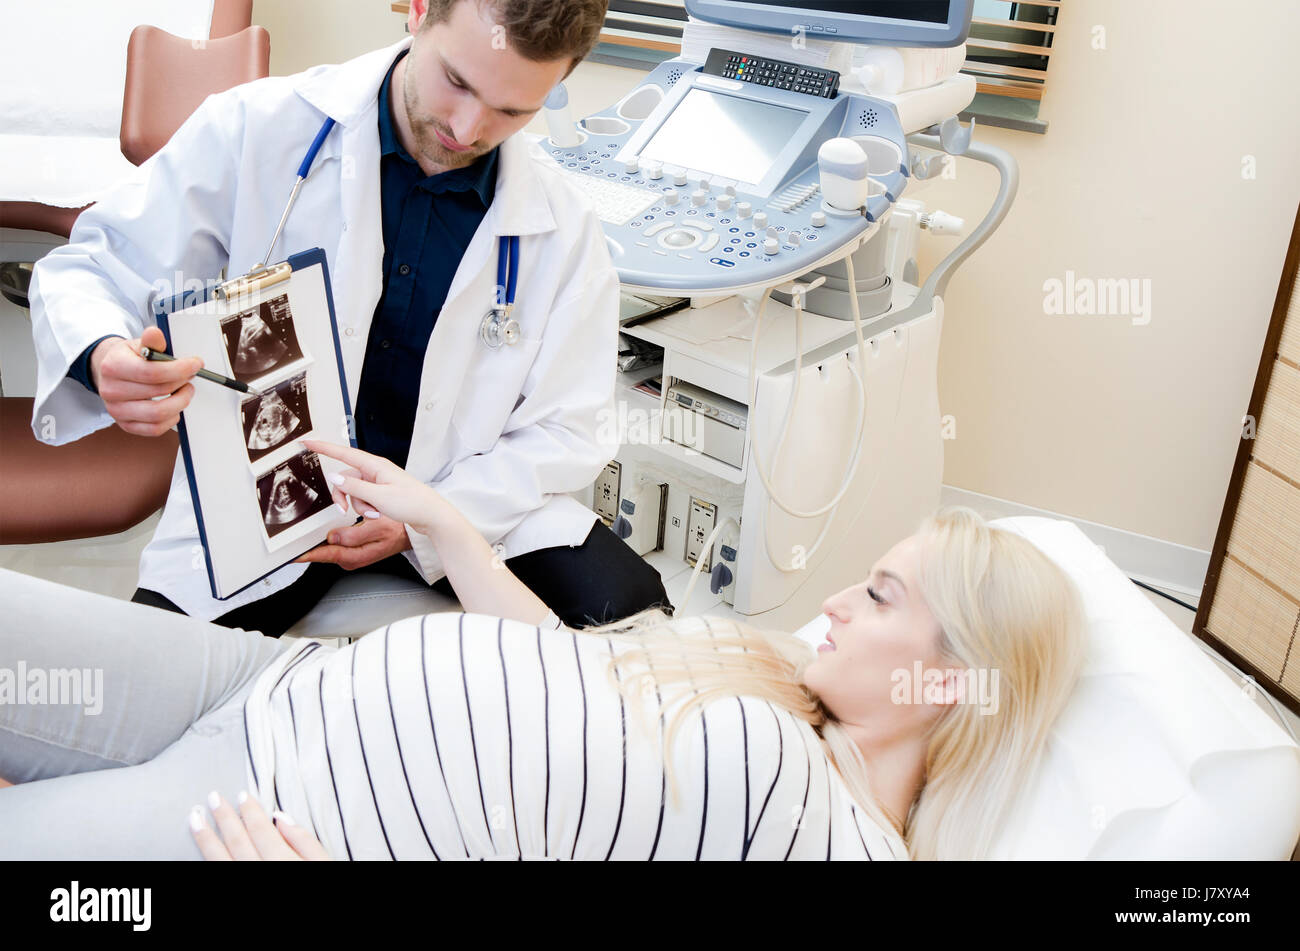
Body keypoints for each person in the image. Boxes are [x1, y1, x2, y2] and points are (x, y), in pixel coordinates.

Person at [0, 440, 1087, 860]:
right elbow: (575, 668)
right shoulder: (780, 693)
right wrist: (449, 529)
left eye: (882, 594)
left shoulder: (836, 847)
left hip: (272, 805)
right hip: (265, 681)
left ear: (950, 676)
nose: (839, 599)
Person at [27, 0, 670, 635]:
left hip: (467, 504)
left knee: (644, 633)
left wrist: (425, 520)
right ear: (419, 11)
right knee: (156, 682)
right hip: (272, 497)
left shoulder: (564, 228)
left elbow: (564, 431)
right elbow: (94, 265)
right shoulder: (260, 129)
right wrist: (104, 354)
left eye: (511, 111)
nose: (469, 129)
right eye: (456, 82)